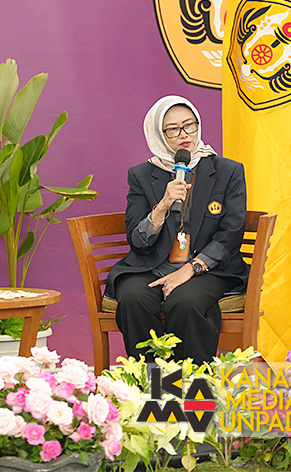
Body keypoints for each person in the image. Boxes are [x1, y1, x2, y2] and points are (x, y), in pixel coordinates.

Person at [106, 95, 250, 363]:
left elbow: (231, 233)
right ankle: (153, 390)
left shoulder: (227, 171)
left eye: (189, 125)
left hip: (209, 269)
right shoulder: (141, 175)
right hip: (152, 265)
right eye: (172, 129)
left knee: (185, 302)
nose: (184, 135)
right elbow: (137, 241)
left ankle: (194, 393)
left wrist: (191, 269)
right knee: (133, 298)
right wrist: (161, 206)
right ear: (157, 134)